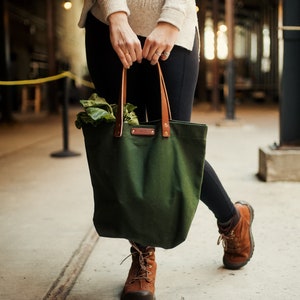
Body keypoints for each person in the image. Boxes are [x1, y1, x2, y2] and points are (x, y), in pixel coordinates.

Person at [78, 1, 254, 299]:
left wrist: (171, 21)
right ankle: (142, 256)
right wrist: (117, 17)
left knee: (173, 148)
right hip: (108, 24)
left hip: (173, 25)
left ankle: (233, 220)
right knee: (125, 149)